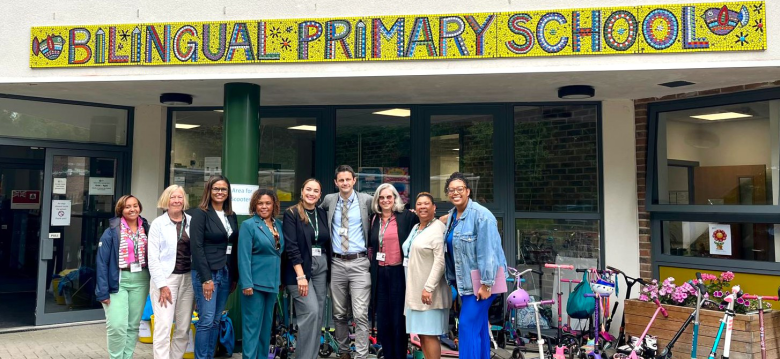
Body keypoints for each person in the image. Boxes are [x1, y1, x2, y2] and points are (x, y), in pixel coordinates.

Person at [442, 172, 507, 359]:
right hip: (467, 284)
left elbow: (488, 253)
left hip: (484, 283)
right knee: (477, 328)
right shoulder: (452, 216)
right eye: (451, 190)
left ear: (468, 191)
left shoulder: (481, 216)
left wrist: (486, 284)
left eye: (459, 189)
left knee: (466, 325)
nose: (455, 193)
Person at [319, 165, 374, 359]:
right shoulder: (328, 200)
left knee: (360, 314)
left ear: (354, 180)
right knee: (339, 313)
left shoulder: (366, 200)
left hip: (359, 263)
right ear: (336, 182)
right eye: (340, 180)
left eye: (347, 180)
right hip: (337, 263)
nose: (344, 183)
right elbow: (313, 215)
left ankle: (361, 354)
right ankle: (343, 351)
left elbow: (388, 210)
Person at [188, 175, 238, 359]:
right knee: (207, 320)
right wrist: (206, 278)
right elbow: (197, 247)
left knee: (216, 320)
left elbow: (233, 246)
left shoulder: (230, 216)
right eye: (216, 188)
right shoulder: (200, 213)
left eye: (223, 189)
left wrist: (234, 277)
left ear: (228, 192)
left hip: (225, 272)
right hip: (207, 273)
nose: (220, 192)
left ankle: (210, 355)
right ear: (209, 190)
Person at [95, 195, 151, 359]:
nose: (132, 209)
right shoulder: (111, 231)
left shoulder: (147, 228)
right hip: (118, 280)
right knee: (117, 325)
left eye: (135, 205)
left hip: (141, 279)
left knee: (133, 326)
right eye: (127, 206)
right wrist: (102, 291)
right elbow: (102, 262)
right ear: (121, 209)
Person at [281, 179, 331, 359]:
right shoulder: (291, 213)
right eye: (308, 189)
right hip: (299, 269)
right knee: (310, 312)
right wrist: (300, 276)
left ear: (320, 195)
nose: (311, 193)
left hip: (321, 266)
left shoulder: (322, 213)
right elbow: (292, 246)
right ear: (302, 191)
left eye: (315, 191)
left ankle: (312, 356)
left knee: (318, 316)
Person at [367, 183, 418, 359]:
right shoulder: (374, 219)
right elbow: (370, 246)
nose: (385, 200)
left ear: (395, 198)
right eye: (382, 197)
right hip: (380, 274)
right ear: (377, 200)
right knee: (383, 321)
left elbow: (424, 228)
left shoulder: (406, 217)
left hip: (398, 274)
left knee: (398, 320)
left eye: (389, 197)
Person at [147, 185, 195, 359]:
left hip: (188, 279)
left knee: (183, 328)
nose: (176, 201)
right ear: (166, 200)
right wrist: (162, 285)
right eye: (173, 197)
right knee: (163, 326)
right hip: (166, 280)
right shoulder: (158, 224)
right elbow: (152, 258)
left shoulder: (191, 221)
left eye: (180, 197)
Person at [403, 192, 451, 359]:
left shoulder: (437, 229)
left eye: (426, 204)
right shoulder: (417, 228)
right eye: (419, 204)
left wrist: (428, 288)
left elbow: (440, 262)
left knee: (430, 335)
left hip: (429, 293)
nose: (422, 206)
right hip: (415, 291)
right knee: (422, 335)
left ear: (434, 207)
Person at [238, 188, 284, 359]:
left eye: (268, 203)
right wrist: (247, 283)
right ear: (254, 205)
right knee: (252, 329)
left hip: (272, 284)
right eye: (260, 203)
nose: (264, 206)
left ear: (274, 205)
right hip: (254, 284)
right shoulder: (249, 225)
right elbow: (243, 256)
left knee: (266, 329)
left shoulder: (278, 225)